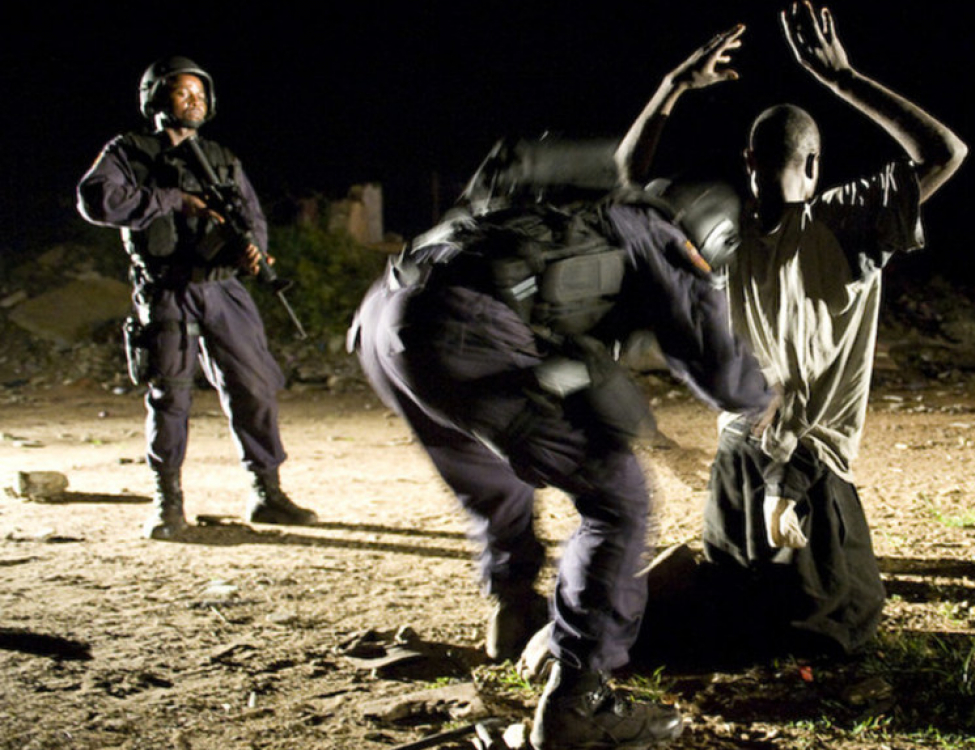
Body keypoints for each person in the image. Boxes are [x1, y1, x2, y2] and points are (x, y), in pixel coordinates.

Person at [348, 137, 772, 749]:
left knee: (494, 475)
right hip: (463, 328)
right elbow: (715, 365)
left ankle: (512, 608)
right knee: (618, 499)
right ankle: (579, 701)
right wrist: (761, 398)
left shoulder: (576, 213)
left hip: (387, 318)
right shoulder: (655, 233)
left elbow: (580, 359)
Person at [620, 2, 968, 657]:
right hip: (811, 472)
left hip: (735, 470)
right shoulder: (848, 221)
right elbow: (946, 152)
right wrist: (844, 78)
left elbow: (619, 186)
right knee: (835, 624)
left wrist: (672, 86)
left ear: (746, 158)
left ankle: (610, 621)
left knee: (732, 615)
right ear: (815, 166)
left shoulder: (716, 232)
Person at [77, 56, 317, 540]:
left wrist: (255, 254)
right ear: (157, 100)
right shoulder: (131, 152)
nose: (195, 101)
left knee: (254, 388)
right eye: (184, 93)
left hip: (223, 287)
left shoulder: (223, 158)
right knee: (171, 395)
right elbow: (97, 200)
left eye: (200, 94)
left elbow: (252, 217)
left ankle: (266, 492)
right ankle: (168, 502)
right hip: (167, 288)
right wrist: (172, 200)